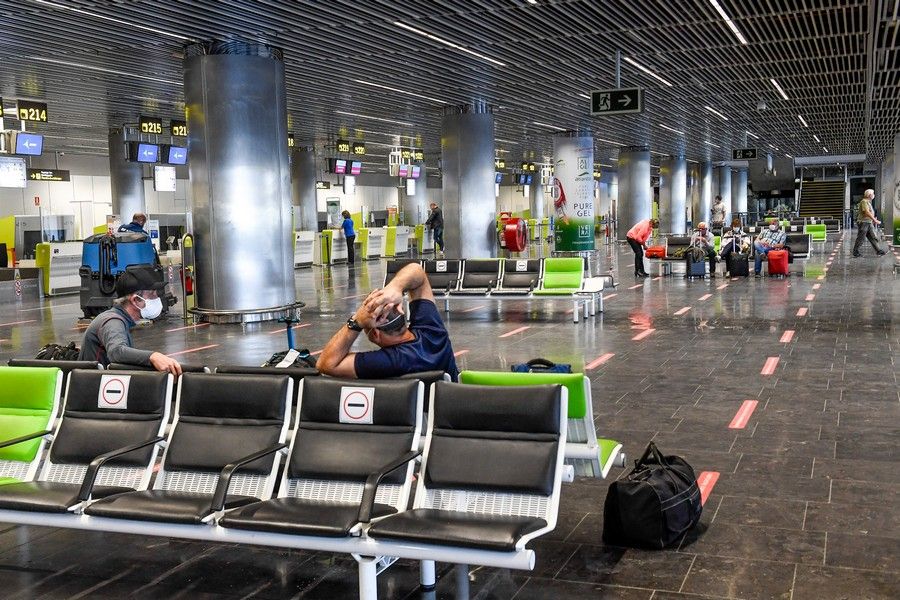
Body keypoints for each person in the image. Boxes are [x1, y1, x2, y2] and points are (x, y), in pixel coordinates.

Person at [317, 262, 459, 380]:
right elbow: (417, 271)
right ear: (403, 320)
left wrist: (356, 322)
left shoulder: (390, 361)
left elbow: (326, 364)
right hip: (445, 409)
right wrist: (395, 287)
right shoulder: (432, 331)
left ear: (375, 334)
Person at [78, 266, 181, 374]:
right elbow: (117, 352)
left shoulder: (119, 318)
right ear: (136, 300)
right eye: (152, 295)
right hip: (93, 387)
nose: (157, 298)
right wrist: (153, 356)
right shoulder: (112, 321)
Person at [852, 189, 887, 258]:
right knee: (861, 237)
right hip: (864, 222)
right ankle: (855, 251)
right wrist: (875, 220)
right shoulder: (864, 202)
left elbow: (869, 212)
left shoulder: (868, 202)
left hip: (868, 222)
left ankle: (878, 250)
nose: (874, 195)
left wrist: (873, 219)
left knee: (872, 237)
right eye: (873, 194)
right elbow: (866, 212)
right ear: (869, 195)